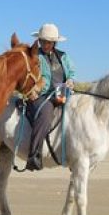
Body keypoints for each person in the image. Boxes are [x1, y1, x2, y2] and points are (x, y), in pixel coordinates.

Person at [24, 23, 76, 171]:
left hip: (63, 93)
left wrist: (71, 80)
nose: (45, 44)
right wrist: (33, 90)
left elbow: (71, 72)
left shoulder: (63, 56)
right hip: (42, 95)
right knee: (45, 113)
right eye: (43, 41)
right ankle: (34, 155)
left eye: (49, 41)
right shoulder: (34, 56)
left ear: (54, 42)